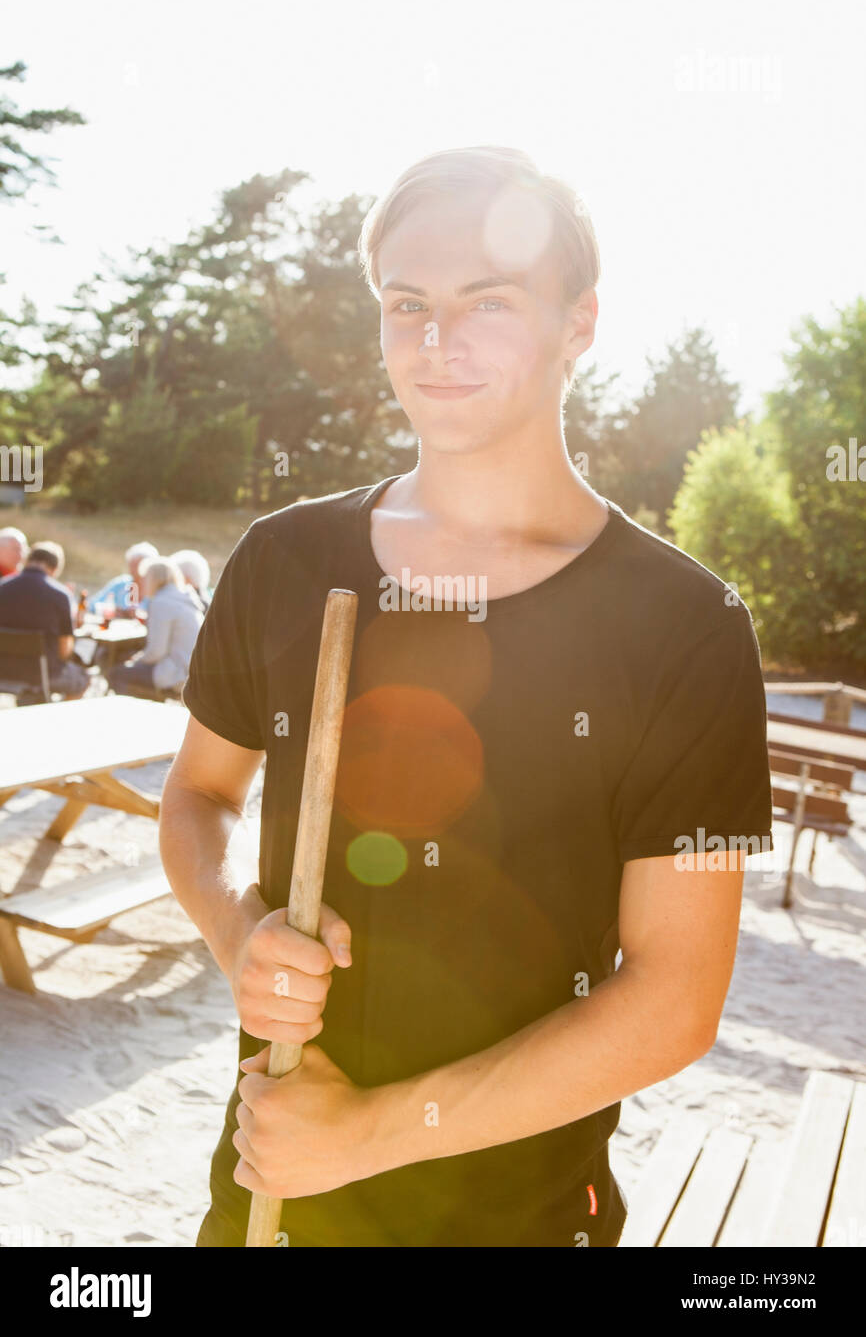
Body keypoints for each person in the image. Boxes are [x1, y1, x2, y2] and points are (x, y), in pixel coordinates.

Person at [159, 146, 774, 1248]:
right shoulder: (286, 557)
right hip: (268, 1192)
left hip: (524, 1220)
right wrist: (235, 927)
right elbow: (198, 797)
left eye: (485, 303)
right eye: (408, 305)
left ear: (577, 322)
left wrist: (369, 1134)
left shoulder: (684, 622)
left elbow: (674, 997)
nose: (435, 344)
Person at [0, 540, 89, 700]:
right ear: (55, 569)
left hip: (3, 670)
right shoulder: (59, 595)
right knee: (82, 678)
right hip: (43, 674)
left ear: (27, 561)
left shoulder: (2, 588)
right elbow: (64, 650)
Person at [108, 557, 203, 699]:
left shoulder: (161, 602)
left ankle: (140, 711)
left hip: (176, 674)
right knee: (127, 663)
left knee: (116, 673)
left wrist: (136, 660)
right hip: (192, 669)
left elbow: (156, 651)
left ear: (152, 579)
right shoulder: (183, 598)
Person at [90, 541, 158, 617]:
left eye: (137, 566)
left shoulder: (157, 589)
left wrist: (140, 615)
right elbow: (92, 605)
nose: (133, 570)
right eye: (131, 565)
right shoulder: (120, 584)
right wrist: (112, 611)